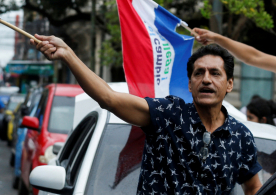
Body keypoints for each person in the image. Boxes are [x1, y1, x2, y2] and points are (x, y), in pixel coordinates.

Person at [31, 35, 263, 195]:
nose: (206, 79)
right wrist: (68, 55)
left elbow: (253, 188)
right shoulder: (168, 114)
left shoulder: (241, 136)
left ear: (229, 84)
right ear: (190, 84)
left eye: (215, 73)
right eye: (199, 73)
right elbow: (109, 99)